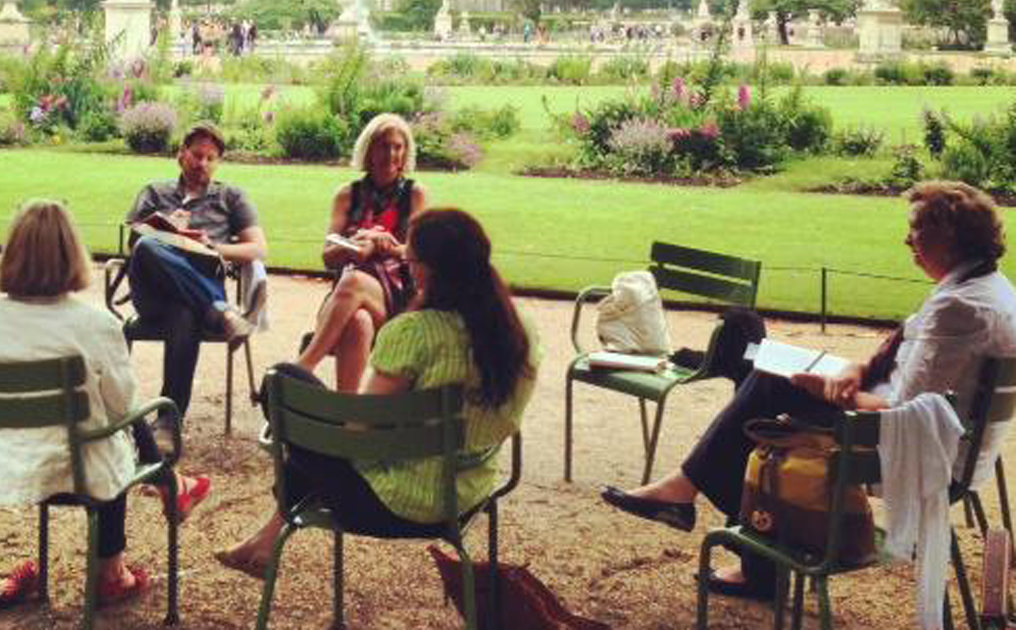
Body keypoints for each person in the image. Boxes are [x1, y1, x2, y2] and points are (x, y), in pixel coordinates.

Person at [602, 181, 1016, 599]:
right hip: (939, 444)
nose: (907, 239)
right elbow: (908, 376)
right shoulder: (987, 288)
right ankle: (730, 535)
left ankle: (713, 516)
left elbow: (902, 413)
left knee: (765, 389)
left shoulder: (957, 308)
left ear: (951, 237)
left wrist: (832, 391)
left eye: (918, 229)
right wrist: (853, 371)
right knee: (750, 353)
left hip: (902, 451)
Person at [217, 208, 540, 576]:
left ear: (428, 269)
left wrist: (318, 421)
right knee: (312, 421)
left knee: (283, 383)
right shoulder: (521, 328)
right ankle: (265, 540)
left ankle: (268, 537)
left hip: (386, 505)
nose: (408, 268)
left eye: (410, 260)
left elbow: (358, 435)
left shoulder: (416, 332)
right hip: (466, 495)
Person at [0, 200, 210, 611]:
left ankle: (169, 489)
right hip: (77, 470)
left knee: (99, 432)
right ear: (72, 253)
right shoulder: (96, 325)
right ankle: (113, 571)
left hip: (1, 462)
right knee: (109, 433)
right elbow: (123, 408)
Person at [126, 122, 268, 424]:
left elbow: (257, 249)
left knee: (184, 311)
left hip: (194, 296)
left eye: (210, 158)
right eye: (196, 155)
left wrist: (212, 246)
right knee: (148, 245)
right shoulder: (154, 192)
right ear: (181, 154)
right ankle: (223, 313)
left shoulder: (231, 197)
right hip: (152, 295)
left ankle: (169, 421)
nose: (202, 163)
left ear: (218, 162)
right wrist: (168, 229)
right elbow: (133, 243)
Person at [295, 113, 429, 390]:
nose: (390, 154)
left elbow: (421, 253)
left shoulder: (415, 194)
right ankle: (348, 410)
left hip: (398, 301)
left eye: (397, 147)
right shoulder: (348, 194)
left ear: (405, 153)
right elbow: (328, 257)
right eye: (383, 146)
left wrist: (388, 245)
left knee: (353, 281)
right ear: (368, 150)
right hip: (346, 302)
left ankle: (302, 368)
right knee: (358, 321)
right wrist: (354, 246)